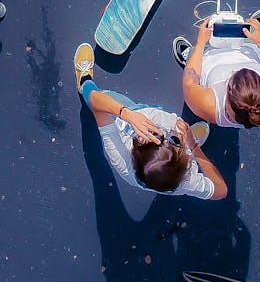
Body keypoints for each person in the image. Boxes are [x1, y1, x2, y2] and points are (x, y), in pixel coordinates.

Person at [74, 43, 227, 200]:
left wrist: (126, 113)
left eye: (145, 139)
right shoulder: (188, 181)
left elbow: (95, 101)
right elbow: (221, 191)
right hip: (156, 118)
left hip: (129, 114)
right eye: (174, 141)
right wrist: (193, 146)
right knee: (162, 116)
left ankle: (84, 81)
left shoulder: (122, 159)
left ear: (135, 154)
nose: (160, 133)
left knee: (99, 95)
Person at [173, 13, 260, 129]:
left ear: (229, 90)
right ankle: (251, 37)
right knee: (252, 39)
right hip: (247, 50)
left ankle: (190, 55)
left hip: (207, 57)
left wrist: (200, 44)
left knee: (194, 60)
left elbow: (189, 84)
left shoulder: (209, 105)